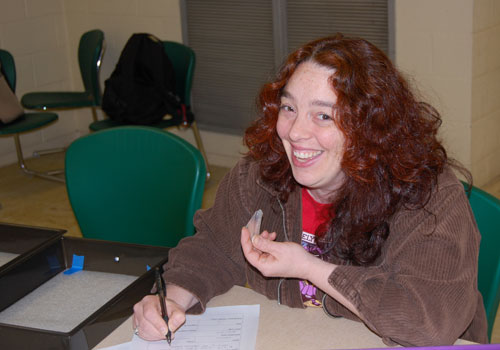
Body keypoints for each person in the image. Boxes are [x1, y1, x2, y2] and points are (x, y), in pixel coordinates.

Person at [132, 33, 488, 346]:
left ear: (371, 127)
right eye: (289, 108)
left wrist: (310, 268)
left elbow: (429, 322)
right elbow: (212, 248)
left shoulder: (427, 195)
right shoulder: (258, 175)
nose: (295, 132)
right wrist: (171, 299)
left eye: (323, 115)